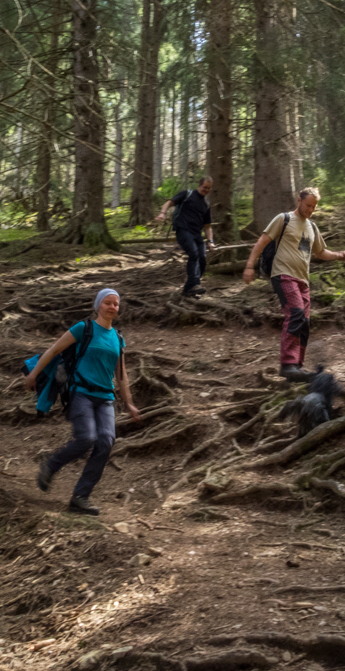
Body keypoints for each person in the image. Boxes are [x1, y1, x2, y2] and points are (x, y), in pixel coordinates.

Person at [24, 288, 141, 515]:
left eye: (116, 304)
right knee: (87, 437)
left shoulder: (117, 338)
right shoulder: (83, 328)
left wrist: (129, 403)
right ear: (98, 305)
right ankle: (51, 465)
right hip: (81, 393)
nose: (112, 307)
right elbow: (54, 349)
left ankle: (80, 497)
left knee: (106, 442)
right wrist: (33, 374)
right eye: (108, 303)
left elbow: (122, 374)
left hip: (106, 398)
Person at [243, 188, 345, 382]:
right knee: (296, 314)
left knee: (305, 323)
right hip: (283, 275)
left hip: (303, 281)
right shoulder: (283, 219)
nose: (311, 210)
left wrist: (339, 255)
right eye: (308, 205)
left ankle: (297, 367)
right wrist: (250, 266)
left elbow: (321, 252)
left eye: (314, 207)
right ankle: (287, 365)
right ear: (298, 200)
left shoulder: (312, 227)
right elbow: (262, 241)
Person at [155, 176, 215, 297]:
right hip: (183, 230)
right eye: (204, 187)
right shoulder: (187, 194)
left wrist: (210, 241)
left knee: (202, 258)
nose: (206, 190)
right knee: (194, 253)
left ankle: (189, 289)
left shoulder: (206, 204)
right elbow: (170, 202)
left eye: (209, 188)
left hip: (197, 234)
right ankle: (195, 285)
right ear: (199, 185)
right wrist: (162, 213)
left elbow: (208, 226)